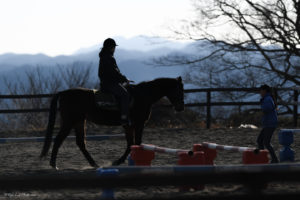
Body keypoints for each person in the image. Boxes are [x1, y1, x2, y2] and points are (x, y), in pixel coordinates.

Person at [98, 38, 130, 125]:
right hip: (110, 83)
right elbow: (114, 72)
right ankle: (124, 118)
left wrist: (121, 78)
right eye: (114, 47)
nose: (114, 49)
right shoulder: (109, 57)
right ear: (111, 47)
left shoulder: (104, 56)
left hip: (107, 82)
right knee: (125, 94)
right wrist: (124, 79)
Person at [256, 84, 279, 163]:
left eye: (261, 91)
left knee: (265, 142)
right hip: (268, 123)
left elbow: (268, 108)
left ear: (264, 91)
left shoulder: (267, 99)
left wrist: (262, 108)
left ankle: (274, 159)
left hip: (270, 123)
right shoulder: (267, 98)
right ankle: (263, 158)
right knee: (260, 140)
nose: (260, 92)